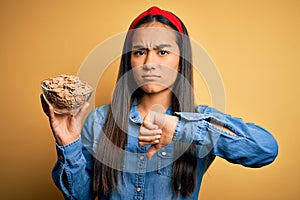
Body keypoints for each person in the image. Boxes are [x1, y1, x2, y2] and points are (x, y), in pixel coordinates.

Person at [41, 6, 278, 200]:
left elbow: (265, 150)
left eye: (162, 52)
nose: (149, 62)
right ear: (129, 61)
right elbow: (78, 197)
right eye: (139, 52)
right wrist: (68, 143)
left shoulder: (200, 121)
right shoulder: (100, 120)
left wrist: (181, 129)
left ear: (181, 60)